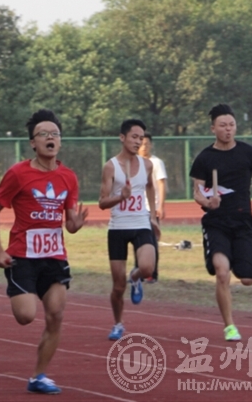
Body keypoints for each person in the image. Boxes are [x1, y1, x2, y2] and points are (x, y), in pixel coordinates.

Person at [0, 109, 88, 395]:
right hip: (22, 257)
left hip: (54, 257)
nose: (50, 138)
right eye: (43, 134)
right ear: (33, 142)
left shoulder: (68, 177)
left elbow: (69, 222)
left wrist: (75, 225)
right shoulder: (18, 174)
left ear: (60, 141)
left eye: (55, 134)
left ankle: (38, 376)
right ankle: (19, 289)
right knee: (26, 316)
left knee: (56, 315)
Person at [190, 104, 252, 341]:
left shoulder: (248, 153)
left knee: (246, 279)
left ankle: (241, 262)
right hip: (216, 223)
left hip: (243, 221)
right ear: (213, 128)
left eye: (231, 125)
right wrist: (208, 202)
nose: (228, 129)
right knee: (222, 272)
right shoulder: (205, 158)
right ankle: (230, 326)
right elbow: (197, 192)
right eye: (223, 125)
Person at [99, 119, 159, 341]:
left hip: (141, 224)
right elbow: (102, 202)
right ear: (122, 137)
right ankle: (118, 323)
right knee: (118, 286)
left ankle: (136, 277)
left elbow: (150, 186)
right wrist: (120, 197)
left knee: (147, 267)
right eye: (134, 137)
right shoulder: (110, 167)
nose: (138, 141)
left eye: (141, 138)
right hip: (118, 228)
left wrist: (153, 216)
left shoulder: (147, 165)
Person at [136, 132, 167, 283]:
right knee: (137, 242)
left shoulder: (156, 162)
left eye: (147, 144)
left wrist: (161, 206)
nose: (144, 147)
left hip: (150, 208)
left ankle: (152, 274)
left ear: (151, 145)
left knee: (152, 242)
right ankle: (138, 272)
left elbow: (161, 184)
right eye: (141, 144)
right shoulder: (133, 161)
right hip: (136, 208)